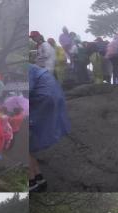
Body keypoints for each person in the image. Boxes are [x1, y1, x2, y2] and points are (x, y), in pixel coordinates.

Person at [29, 64, 71, 192]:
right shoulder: (33, 68)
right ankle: (39, 177)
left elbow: (27, 90)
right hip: (55, 94)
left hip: (43, 98)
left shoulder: (27, 70)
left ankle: (31, 181)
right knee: (28, 146)